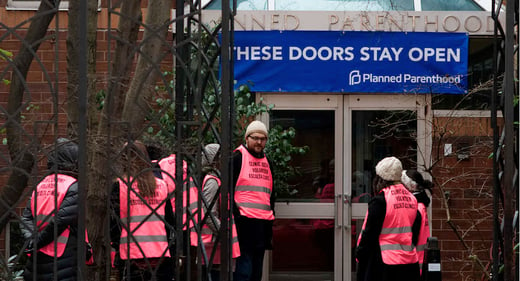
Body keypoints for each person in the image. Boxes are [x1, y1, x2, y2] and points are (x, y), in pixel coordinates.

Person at [21, 138, 86, 281]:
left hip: (37, 259)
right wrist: (38, 241)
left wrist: (32, 241)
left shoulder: (40, 185)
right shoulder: (73, 186)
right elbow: (61, 221)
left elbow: (26, 218)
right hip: (63, 258)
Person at [110, 141, 173, 281]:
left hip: (132, 256)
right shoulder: (161, 185)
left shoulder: (120, 186)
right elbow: (170, 221)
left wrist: (117, 246)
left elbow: (114, 225)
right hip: (160, 255)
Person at [356, 156, 421, 281]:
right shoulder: (412, 199)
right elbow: (415, 231)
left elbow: (369, 234)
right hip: (408, 263)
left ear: (381, 177)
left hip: (383, 265)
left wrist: (360, 254)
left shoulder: (381, 200)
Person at [232, 120, 275, 281]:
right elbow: (227, 192)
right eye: (255, 137)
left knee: (256, 272)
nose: (259, 142)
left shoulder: (267, 162)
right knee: (244, 271)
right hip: (244, 223)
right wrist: (235, 216)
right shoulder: (237, 158)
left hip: (262, 224)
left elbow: (271, 194)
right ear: (247, 138)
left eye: (263, 138)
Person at [200, 143, 240, 280]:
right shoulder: (213, 182)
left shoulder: (218, 180)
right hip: (214, 245)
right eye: (222, 156)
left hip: (217, 244)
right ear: (214, 160)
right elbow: (208, 213)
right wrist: (224, 231)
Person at [401, 169, 434, 275]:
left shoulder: (415, 208)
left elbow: (411, 238)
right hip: (419, 260)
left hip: (413, 262)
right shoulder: (421, 205)